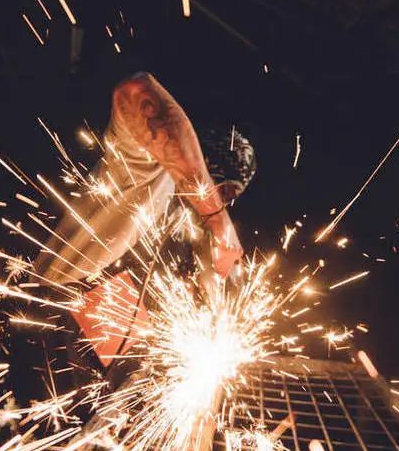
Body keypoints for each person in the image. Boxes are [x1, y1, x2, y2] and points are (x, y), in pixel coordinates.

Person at [34, 71, 256, 365]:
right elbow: (136, 90)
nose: (223, 201)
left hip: (97, 367)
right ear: (203, 161)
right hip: (48, 330)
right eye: (223, 190)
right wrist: (217, 218)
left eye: (229, 198)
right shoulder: (146, 172)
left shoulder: (192, 243)